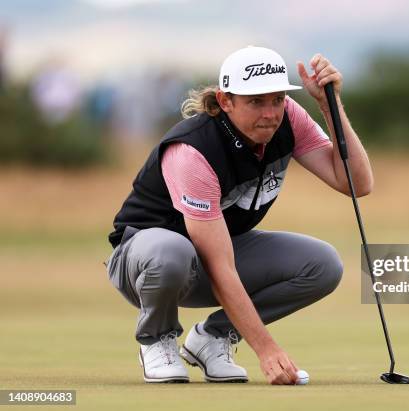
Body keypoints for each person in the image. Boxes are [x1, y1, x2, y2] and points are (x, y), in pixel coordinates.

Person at [105, 46, 373, 385]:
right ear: (225, 100)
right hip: (144, 262)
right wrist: (267, 350)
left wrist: (328, 106)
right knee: (172, 252)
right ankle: (157, 340)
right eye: (255, 102)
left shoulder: (289, 118)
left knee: (322, 265)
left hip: (214, 252)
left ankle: (212, 338)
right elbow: (219, 266)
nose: (270, 113)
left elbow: (357, 183)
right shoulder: (192, 151)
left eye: (276, 99)